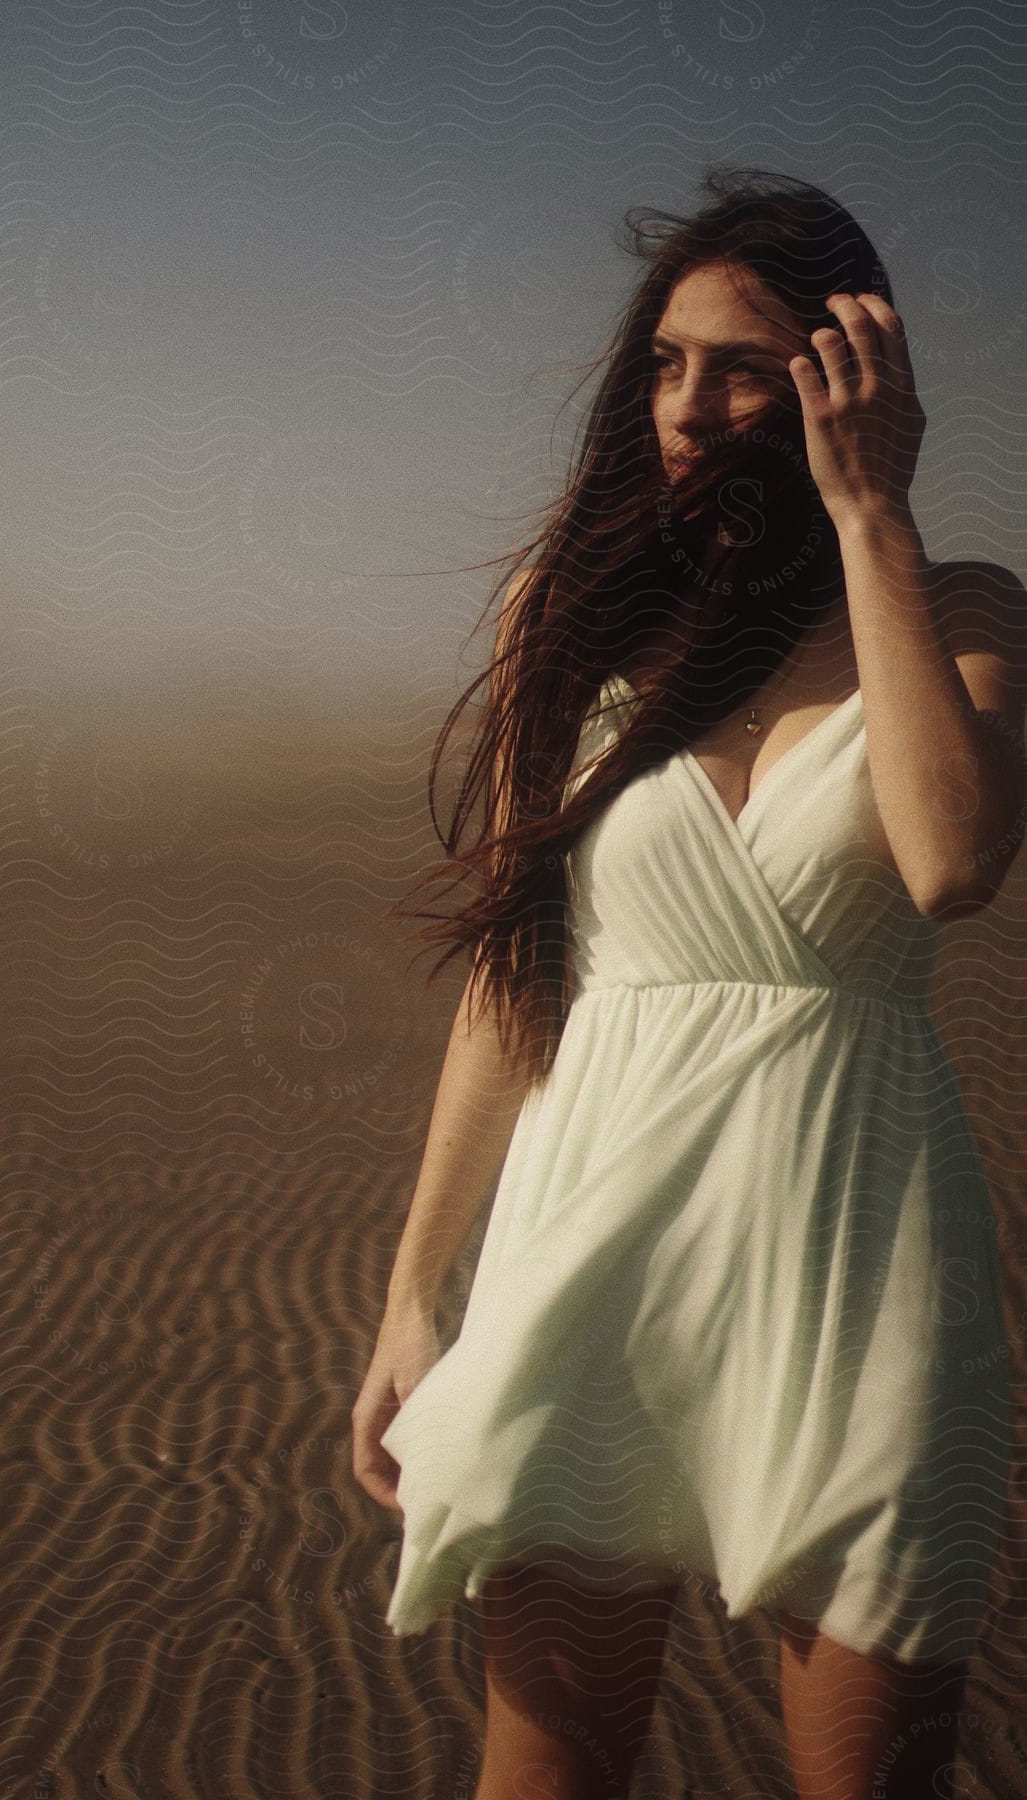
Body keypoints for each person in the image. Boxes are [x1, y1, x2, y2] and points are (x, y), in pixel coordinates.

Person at [352, 167, 1027, 1800]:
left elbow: (951, 864)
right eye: (665, 362)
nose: (687, 403)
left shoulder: (964, 611)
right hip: (595, 1251)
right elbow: (518, 982)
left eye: (739, 363)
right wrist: (416, 1287)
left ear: (843, 370)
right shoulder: (578, 624)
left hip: (854, 1264)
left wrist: (873, 514)